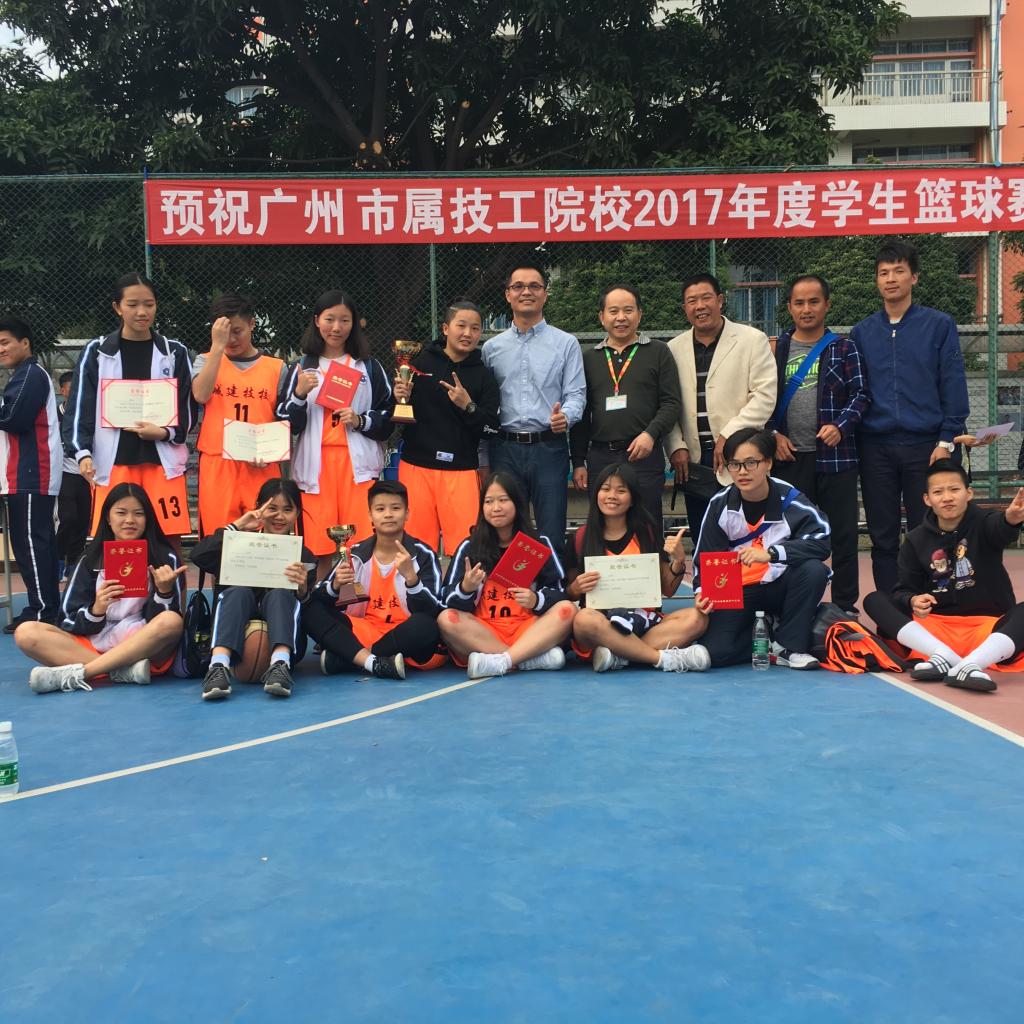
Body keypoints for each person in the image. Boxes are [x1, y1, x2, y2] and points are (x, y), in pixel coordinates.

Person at [851, 239, 969, 594]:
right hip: (876, 447)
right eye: (883, 272)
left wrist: (946, 440)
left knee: (930, 530)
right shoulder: (862, 332)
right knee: (882, 534)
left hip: (927, 446)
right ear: (877, 280)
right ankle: (893, 608)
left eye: (899, 271)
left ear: (914, 277)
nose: (891, 279)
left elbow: (953, 383)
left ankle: (936, 602)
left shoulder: (939, 325)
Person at [863, 460, 1024, 692]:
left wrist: (1011, 519)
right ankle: (945, 656)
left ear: (969, 493)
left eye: (954, 489)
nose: (947, 497)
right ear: (927, 499)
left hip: (987, 632)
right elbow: (903, 590)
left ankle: (971, 663)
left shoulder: (984, 522)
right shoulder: (916, 539)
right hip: (933, 632)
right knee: (875, 600)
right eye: (938, 492)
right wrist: (912, 600)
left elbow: (1000, 528)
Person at [63, 273, 197, 543]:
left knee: (168, 537)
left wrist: (164, 433)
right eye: (132, 304)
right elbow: (80, 407)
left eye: (149, 304)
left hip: (163, 464)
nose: (142, 312)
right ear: (117, 307)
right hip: (113, 463)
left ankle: (169, 575)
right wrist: (83, 453)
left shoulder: (175, 352)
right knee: (116, 540)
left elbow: (187, 407)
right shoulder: (97, 351)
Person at [16, 483, 185, 693]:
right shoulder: (90, 559)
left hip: (143, 647)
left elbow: (170, 624)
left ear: (147, 518)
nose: (130, 520)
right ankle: (122, 671)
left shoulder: (164, 558)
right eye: (121, 513)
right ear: (108, 518)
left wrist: (164, 593)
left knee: (171, 621)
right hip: (95, 644)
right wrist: (96, 610)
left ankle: (84, 673)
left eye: (139, 513)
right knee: (26, 632)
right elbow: (66, 620)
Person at [766, 275, 869, 616]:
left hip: (836, 459)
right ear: (789, 307)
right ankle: (792, 605)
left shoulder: (845, 347)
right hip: (789, 459)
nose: (806, 309)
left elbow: (861, 394)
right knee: (789, 536)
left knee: (843, 536)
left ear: (827, 304)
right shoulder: (774, 349)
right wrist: (772, 434)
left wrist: (840, 426)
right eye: (799, 303)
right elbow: (759, 398)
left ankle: (844, 607)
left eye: (813, 302)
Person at [693, 428, 831, 669]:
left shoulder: (791, 500)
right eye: (734, 464)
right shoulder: (720, 504)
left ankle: (788, 646)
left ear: (768, 463)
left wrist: (772, 554)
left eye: (751, 463)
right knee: (716, 652)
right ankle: (765, 632)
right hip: (738, 589)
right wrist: (702, 592)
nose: (742, 472)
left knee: (813, 570)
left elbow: (822, 540)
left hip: (780, 585)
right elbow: (706, 557)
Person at [281, 289, 394, 577]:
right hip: (315, 468)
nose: (336, 327)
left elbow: (389, 416)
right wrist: (299, 395)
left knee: (363, 547)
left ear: (354, 324)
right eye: (329, 319)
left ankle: (363, 600)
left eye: (344, 320)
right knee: (318, 550)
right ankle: (319, 600)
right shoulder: (302, 367)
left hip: (358, 468)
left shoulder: (368, 367)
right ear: (317, 321)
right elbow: (285, 423)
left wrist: (360, 420)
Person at [566, 462, 711, 673]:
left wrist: (678, 561)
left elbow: (668, 589)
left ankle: (619, 656)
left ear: (632, 498)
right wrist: (576, 588)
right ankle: (659, 658)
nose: (612, 496)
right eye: (605, 489)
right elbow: (568, 593)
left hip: (643, 622)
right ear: (596, 493)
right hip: (601, 625)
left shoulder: (646, 533)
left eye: (621, 490)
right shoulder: (580, 538)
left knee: (697, 618)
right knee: (583, 620)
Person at [482, 265, 586, 555]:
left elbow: (576, 394)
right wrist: (483, 458)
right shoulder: (492, 348)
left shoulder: (566, 344)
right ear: (508, 295)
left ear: (545, 294)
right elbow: (486, 406)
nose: (526, 292)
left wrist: (566, 416)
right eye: (518, 286)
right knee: (506, 529)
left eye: (534, 286)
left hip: (548, 448)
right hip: (504, 448)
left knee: (551, 530)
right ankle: (509, 584)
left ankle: (550, 582)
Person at [664, 273, 777, 536]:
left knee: (745, 535)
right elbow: (668, 402)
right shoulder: (673, 348)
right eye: (692, 301)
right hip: (692, 462)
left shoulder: (752, 340)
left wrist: (730, 434)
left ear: (720, 300)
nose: (700, 306)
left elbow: (764, 395)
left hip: (739, 458)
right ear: (684, 308)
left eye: (706, 298)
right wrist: (675, 446)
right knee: (704, 535)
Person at [438, 471, 576, 678]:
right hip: (484, 631)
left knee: (567, 610)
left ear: (517, 504)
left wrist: (536, 600)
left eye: (503, 500)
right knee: (446, 619)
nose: (496, 508)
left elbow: (559, 591)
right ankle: (526, 659)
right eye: (489, 502)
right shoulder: (470, 546)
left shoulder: (537, 543)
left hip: (528, 628)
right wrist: (465, 588)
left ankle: (503, 661)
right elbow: (446, 599)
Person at [304, 480, 445, 680]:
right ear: (370, 515)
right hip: (364, 630)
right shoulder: (356, 554)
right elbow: (321, 597)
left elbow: (434, 608)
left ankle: (350, 658)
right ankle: (375, 662)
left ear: (407, 514)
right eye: (380, 509)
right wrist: (335, 586)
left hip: (405, 635)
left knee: (426, 625)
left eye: (395, 508)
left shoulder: (422, 554)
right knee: (309, 608)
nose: (388, 514)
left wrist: (412, 580)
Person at [570, 284, 681, 538]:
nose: (621, 317)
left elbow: (671, 402)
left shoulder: (658, 352)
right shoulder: (589, 359)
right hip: (601, 457)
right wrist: (578, 461)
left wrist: (650, 434)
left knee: (647, 525)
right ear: (602, 317)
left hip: (643, 456)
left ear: (639, 314)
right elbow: (581, 414)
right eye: (614, 311)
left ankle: (650, 564)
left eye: (628, 310)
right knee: (603, 526)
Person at [192, 478, 316, 701]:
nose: (279, 516)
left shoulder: (303, 556)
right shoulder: (238, 543)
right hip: (236, 637)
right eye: (272, 508)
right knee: (237, 592)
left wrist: (302, 590)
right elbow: (198, 556)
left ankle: (280, 664)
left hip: (287, 643)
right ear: (259, 508)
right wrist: (236, 527)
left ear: (297, 513)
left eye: (287, 510)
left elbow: (308, 611)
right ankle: (218, 666)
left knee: (280, 594)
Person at [392, 299, 500, 553]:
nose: (467, 333)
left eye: (475, 328)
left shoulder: (484, 376)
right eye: (461, 325)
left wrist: (468, 406)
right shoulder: (418, 364)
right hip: (416, 467)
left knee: (466, 550)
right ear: (445, 328)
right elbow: (394, 414)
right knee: (416, 550)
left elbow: (492, 429)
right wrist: (398, 397)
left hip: (461, 471)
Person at [192, 292, 290, 535]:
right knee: (219, 539)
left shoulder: (276, 368)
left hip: (262, 465)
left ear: (252, 324)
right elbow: (201, 395)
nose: (232, 339)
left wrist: (271, 451)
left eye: (237, 331)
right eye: (225, 333)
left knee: (265, 539)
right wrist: (217, 347)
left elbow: (286, 419)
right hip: (218, 464)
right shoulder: (205, 361)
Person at [0, 315, 62, 633]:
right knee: (35, 543)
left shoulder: (30, 375)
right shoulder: (26, 375)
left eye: (5, 342)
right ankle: (45, 605)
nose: (1, 349)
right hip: (28, 473)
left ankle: (42, 611)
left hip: (31, 473)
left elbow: (14, 418)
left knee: (30, 544)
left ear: (25, 343)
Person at [55, 370, 91, 583]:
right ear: (62, 391)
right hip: (64, 473)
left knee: (83, 521)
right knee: (68, 518)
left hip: (86, 474)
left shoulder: (87, 413)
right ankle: (58, 560)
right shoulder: (54, 415)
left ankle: (73, 565)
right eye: (71, 387)